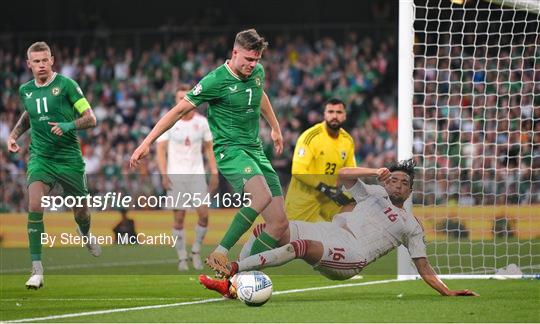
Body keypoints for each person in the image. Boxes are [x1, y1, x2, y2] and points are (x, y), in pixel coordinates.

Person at [130, 29, 288, 272]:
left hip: (255, 150)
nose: (252, 64)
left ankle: (238, 275)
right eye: (248, 59)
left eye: (256, 60)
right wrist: (146, 142)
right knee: (261, 196)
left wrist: (275, 127)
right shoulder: (215, 80)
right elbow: (177, 111)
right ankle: (220, 253)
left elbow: (259, 94)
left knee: (278, 224)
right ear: (235, 53)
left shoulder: (257, 72)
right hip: (230, 152)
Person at [199, 160, 479, 297]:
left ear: (410, 190)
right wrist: (373, 172)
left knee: (300, 248)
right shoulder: (372, 192)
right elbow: (343, 174)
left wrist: (448, 291)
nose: (397, 184)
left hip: (352, 254)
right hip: (330, 231)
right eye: (393, 180)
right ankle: (233, 287)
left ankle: (234, 269)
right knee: (271, 228)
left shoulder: (412, 225)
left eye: (404, 182)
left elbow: (424, 267)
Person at [6, 42, 100, 289]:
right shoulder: (25, 90)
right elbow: (30, 114)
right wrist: (14, 135)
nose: (40, 65)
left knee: (81, 212)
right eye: (35, 61)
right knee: (34, 205)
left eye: (44, 60)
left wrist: (69, 126)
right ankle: (37, 270)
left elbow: (91, 118)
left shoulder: (66, 86)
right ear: (28, 64)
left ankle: (85, 233)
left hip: (69, 158)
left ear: (52, 61)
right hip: (41, 159)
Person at [156, 86, 218, 271]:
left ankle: (196, 251)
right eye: (179, 97)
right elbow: (160, 150)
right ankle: (182, 257)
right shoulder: (169, 120)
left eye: (185, 97)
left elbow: (209, 148)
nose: (182, 100)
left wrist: (214, 171)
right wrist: (164, 174)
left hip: (197, 175)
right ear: (175, 100)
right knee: (179, 219)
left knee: (204, 215)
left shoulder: (202, 122)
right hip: (176, 176)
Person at [285, 98, 356, 222]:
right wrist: (323, 188)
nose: (334, 116)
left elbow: (350, 172)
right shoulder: (311, 136)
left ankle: (341, 239)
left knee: (353, 211)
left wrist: (352, 195)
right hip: (305, 197)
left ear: (344, 116)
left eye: (339, 112)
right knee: (288, 238)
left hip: (328, 198)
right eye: (330, 112)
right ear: (324, 114)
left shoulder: (347, 140)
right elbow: (297, 170)